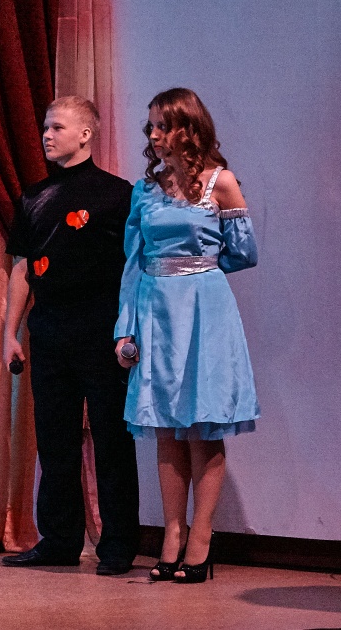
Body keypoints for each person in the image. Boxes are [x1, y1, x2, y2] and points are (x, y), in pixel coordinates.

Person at [115, 88, 258, 584]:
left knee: (203, 426)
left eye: (164, 125)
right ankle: (171, 534)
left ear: (188, 129)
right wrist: (124, 330)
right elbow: (132, 264)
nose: (154, 134)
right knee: (165, 428)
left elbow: (244, 253)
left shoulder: (222, 182)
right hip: (155, 312)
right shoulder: (145, 189)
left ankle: (201, 537)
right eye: (151, 125)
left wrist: (198, 273)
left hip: (204, 314)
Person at [1, 96, 141, 576]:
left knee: (111, 437)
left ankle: (118, 544)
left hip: (102, 329)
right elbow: (22, 267)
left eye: (57, 127)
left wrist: (130, 330)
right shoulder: (33, 197)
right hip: (49, 328)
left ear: (85, 134)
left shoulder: (118, 195)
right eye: (45, 126)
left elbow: (134, 268)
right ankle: (59, 540)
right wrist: (10, 332)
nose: (46, 134)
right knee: (54, 438)